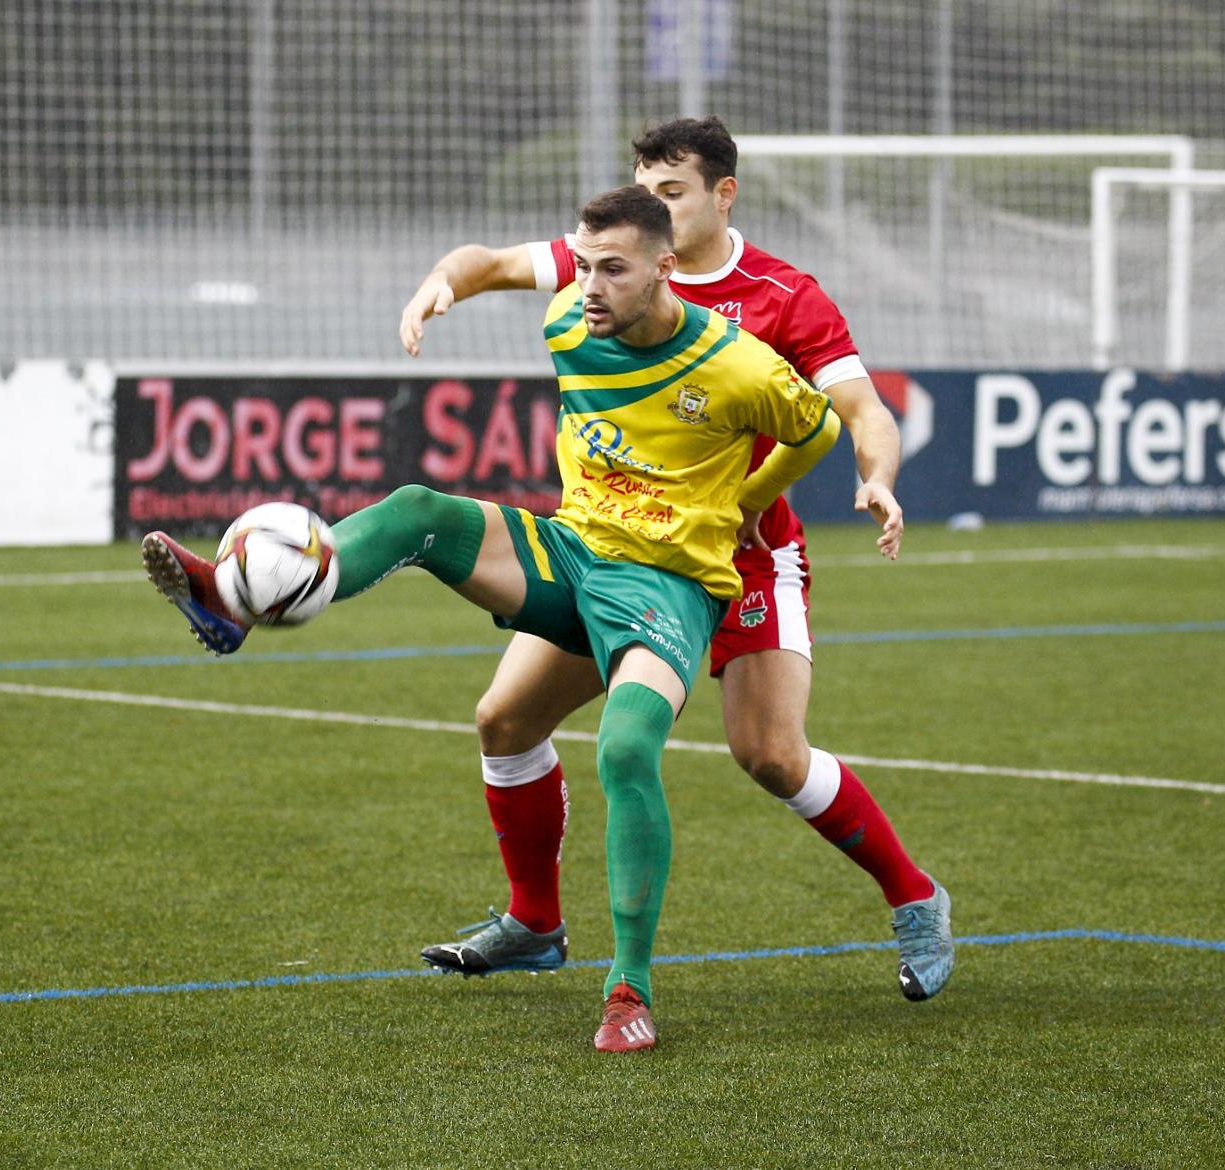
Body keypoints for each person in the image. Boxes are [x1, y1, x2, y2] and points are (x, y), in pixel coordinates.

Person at [142, 185, 842, 1052]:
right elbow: (492, 264)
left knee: (625, 748)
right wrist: (442, 283)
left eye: (612, 271)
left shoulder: (736, 365)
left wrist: (749, 498)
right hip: (572, 553)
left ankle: (630, 990)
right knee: (414, 511)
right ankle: (241, 597)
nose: (588, 287)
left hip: (666, 584)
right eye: (583, 266)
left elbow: (817, 428)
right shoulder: (566, 323)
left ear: (668, 270)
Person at [400, 116, 954, 1003]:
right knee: (504, 721)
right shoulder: (610, 265)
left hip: (748, 558)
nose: (650, 206)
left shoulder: (782, 296)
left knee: (770, 755)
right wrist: (438, 286)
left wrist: (877, 477)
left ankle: (916, 897)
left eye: (671, 192)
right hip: (625, 557)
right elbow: (488, 262)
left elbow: (860, 410)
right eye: (643, 187)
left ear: (721, 194)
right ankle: (536, 923)